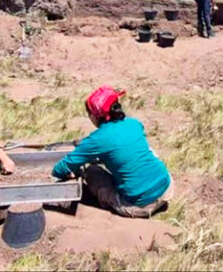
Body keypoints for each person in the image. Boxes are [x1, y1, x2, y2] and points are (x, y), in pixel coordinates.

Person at [52, 85, 173, 218]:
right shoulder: (134, 123)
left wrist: (60, 171)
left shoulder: (97, 139)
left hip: (140, 205)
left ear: (94, 116)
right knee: (145, 151)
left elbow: (61, 168)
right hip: (167, 188)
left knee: (92, 171)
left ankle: (111, 199)